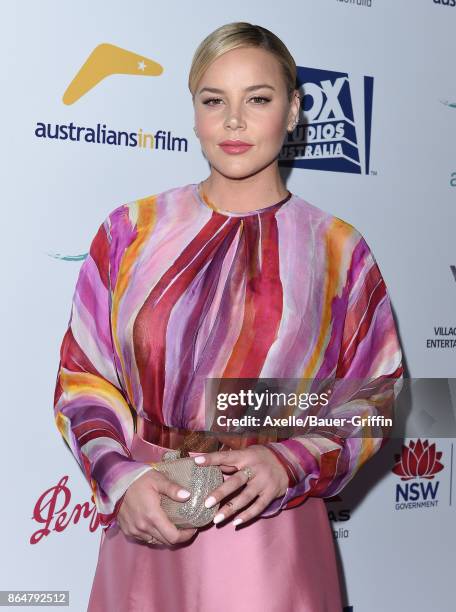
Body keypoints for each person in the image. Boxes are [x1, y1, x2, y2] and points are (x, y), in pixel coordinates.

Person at [53, 21, 403, 612]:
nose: (233, 121)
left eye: (258, 99)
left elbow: (377, 394)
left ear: (293, 111)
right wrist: (120, 476)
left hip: (271, 532)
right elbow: (83, 376)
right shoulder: (130, 232)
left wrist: (288, 460)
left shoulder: (338, 249)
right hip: (147, 517)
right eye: (214, 100)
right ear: (194, 112)